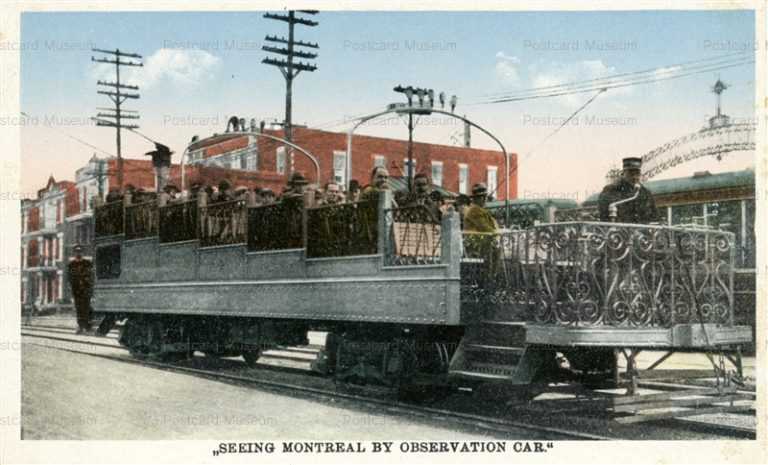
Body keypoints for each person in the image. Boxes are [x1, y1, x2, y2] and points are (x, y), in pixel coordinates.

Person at [597, 157, 659, 223]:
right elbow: (603, 215)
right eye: (631, 174)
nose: (634, 177)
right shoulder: (610, 190)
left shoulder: (645, 193)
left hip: (642, 232)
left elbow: (655, 216)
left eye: (637, 174)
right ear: (623, 173)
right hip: (620, 231)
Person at [67, 245, 93, 334]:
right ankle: (80, 326)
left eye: (80, 251)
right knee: (79, 309)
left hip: (86, 289)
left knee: (86, 307)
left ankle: (87, 326)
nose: (78, 253)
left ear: (83, 253)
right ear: (74, 253)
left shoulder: (87, 263)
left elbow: (91, 275)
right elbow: (69, 277)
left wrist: (87, 283)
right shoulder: (71, 264)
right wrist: (71, 285)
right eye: (77, 252)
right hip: (76, 290)